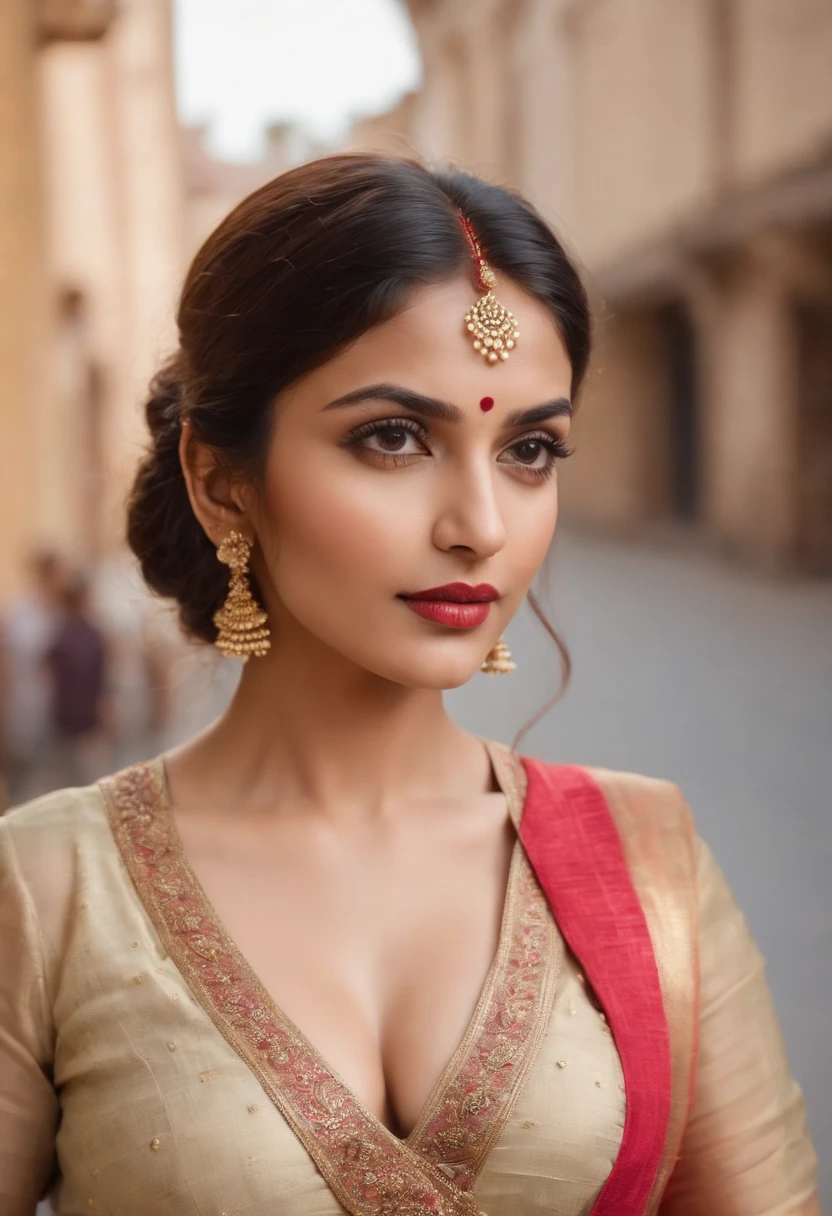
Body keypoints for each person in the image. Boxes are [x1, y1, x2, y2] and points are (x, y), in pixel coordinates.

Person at [0, 155, 819, 1216]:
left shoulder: (644, 866)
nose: (479, 524)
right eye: (393, 438)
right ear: (218, 480)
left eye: (529, 448)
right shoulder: (52, 889)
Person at [0, 550, 66, 806]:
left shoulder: (63, 613)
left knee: (56, 780)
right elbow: (7, 667)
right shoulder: (20, 614)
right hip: (25, 710)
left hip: (59, 713)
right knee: (23, 781)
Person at [42, 573, 111, 789]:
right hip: (86, 716)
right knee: (88, 778)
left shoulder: (60, 635)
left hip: (66, 716)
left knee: (68, 777)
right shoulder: (92, 634)